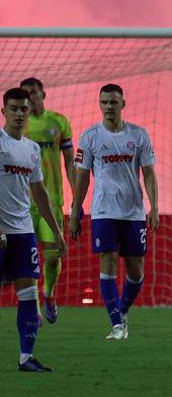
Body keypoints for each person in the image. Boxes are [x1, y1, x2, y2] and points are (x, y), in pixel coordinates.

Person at [69, 83, 159, 340]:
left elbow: (149, 174)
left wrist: (154, 206)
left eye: (113, 102)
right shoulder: (90, 137)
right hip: (103, 211)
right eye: (104, 102)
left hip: (133, 212)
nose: (108, 107)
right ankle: (116, 324)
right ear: (100, 104)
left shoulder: (139, 135)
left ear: (123, 104)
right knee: (107, 261)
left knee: (136, 272)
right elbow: (82, 178)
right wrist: (75, 211)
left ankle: (123, 310)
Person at [2, 86, 61, 372]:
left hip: (23, 233)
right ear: (4, 111)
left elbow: (39, 193)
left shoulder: (32, 149)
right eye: (13, 109)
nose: (19, 114)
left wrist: (56, 232)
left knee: (28, 293)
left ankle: (26, 357)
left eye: (23, 109)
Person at [18, 78, 71, 324]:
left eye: (33, 93)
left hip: (52, 202)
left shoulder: (59, 122)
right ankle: (35, 309)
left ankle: (48, 293)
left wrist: (77, 196)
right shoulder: (19, 126)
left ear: (43, 94)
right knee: (27, 258)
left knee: (52, 257)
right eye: (25, 94)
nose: (30, 98)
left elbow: (69, 163)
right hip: (23, 204)